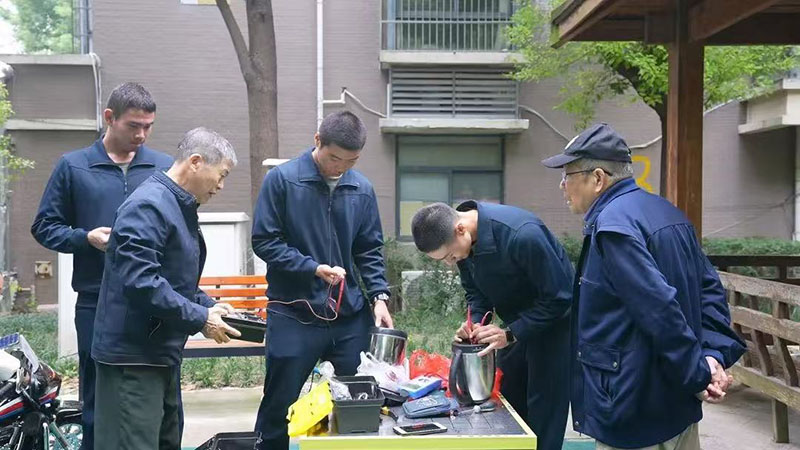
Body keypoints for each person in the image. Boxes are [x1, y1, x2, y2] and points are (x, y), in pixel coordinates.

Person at [542, 123, 746, 450]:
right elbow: (710, 292)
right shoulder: (666, 212)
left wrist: (699, 373)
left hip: (633, 409)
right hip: (674, 409)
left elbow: (659, 310)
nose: (562, 186)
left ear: (597, 178)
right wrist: (711, 355)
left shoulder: (613, 227)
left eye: (568, 175)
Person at [30, 82, 172, 450]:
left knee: (163, 394)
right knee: (97, 394)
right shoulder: (74, 166)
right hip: (96, 302)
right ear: (109, 118)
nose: (141, 134)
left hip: (154, 303)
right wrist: (85, 238)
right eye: (133, 126)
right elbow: (45, 226)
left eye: (148, 126)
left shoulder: (162, 168)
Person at [92, 127, 241, 450]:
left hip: (158, 353)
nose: (221, 185)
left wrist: (208, 306)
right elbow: (141, 283)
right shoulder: (149, 206)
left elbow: (172, 280)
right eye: (222, 174)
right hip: (131, 359)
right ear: (197, 162)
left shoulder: (175, 205)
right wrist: (201, 318)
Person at [251, 111, 393, 449]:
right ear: (317, 141)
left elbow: (369, 249)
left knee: (359, 405)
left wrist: (380, 296)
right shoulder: (283, 181)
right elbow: (264, 241)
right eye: (334, 158)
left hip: (348, 316)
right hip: (293, 312)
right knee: (279, 407)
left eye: (351, 161)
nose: (340, 167)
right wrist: (312, 267)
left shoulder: (361, 188)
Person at [410, 201, 573, 450]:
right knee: (510, 411)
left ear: (460, 229)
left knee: (543, 417)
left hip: (554, 330)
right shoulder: (463, 246)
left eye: (449, 256)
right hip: (513, 328)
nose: (450, 262)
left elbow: (561, 298)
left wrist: (511, 333)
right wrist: (475, 324)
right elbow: (476, 294)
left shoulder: (522, 234)